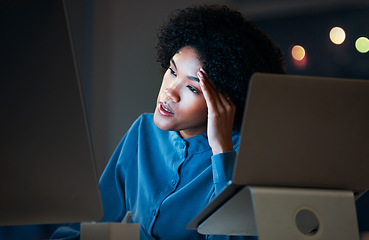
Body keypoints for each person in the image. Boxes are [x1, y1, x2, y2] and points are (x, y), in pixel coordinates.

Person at [51, 4, 285, 240]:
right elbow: (90, 225)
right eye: (173, 72)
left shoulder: (246, 155)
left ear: (226, 101)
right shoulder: (143, 131)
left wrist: (222, 151)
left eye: (192, 88)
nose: (170, 92)